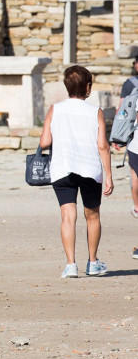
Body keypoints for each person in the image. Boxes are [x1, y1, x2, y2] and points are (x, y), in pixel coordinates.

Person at [38, 65, 113, 279]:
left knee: (67, 217)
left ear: (66, 86)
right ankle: (93, 262)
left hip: (62, 167)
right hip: (90, 168)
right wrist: (108, 175)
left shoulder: (55, 109)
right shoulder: (95, 111)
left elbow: (45, 142)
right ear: (88, 87)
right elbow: (102, 146)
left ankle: (71, 265)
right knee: (92, 215)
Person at [114, 57, 138, 259]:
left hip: (137, 145)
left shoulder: (132, 86)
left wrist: (118, 135)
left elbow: (123, 111)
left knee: (135, 179)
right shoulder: (131, 85)